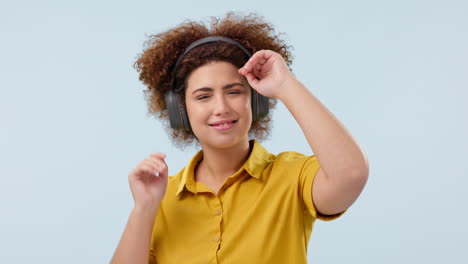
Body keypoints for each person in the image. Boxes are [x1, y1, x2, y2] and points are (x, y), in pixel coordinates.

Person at [111, 12, 369, 264]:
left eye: (234, 91)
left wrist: (285, 84)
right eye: (203, 96)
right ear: (180, 111)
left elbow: (351, 174)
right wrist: (144, 208)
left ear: (256, 101)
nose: (221, 107)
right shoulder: (162, 199)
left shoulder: (292, 177)